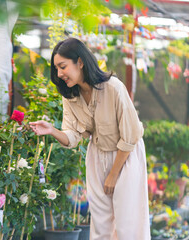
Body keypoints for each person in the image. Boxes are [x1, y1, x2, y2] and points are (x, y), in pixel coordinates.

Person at [29, 37, 150, 239]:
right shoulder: (70, 96)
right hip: (97, 157)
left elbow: (131, 136)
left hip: (126, 157)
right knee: (100, 224)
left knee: (128, 224)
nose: (59, 74)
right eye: (56, 68)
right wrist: (51, 130)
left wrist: (113, 174)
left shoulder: (113, 87)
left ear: (80, 62)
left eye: (63, 66)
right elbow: (72, 137)